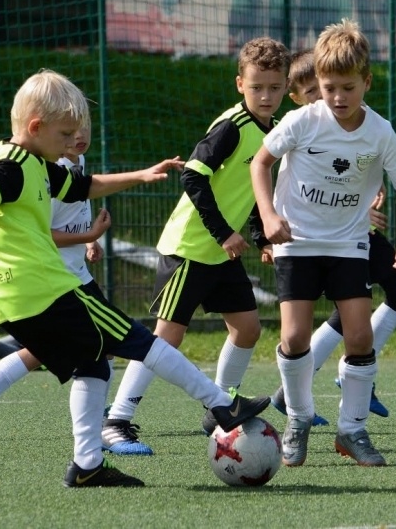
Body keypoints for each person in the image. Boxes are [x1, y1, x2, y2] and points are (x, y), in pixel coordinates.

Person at [0, 69, 269, 488]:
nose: (73, 142)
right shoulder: (12, 166)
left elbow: (84, 186)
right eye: (66, 133)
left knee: (93, 365)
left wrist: (141, 175)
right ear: (36, 127)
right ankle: (221, 405)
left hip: (15, 296)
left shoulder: (38, 162)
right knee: (140, 340)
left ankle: (87, 465)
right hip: (44, 289)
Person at [101, 37, 290, 455]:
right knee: (165, 337)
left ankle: (220, 408)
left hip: (221, 252)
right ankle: (117, 419)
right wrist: (225, 232)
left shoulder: (273, 130)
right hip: (190, 246)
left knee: (248, 328)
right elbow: (192, 176)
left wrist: (260, 236)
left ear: (285, 87)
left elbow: (254, 190)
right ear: (240, 84)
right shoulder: (231, 127)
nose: (265, 95)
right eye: (257, 86)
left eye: (274, 88)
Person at [250, 19, 396, 467]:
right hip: (297, 243)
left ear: (366, 81)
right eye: (328, 88)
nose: (338, 98)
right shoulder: (302, 121)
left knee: (361, 337)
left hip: (348, 243)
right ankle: (299, 419)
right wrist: (268, 216)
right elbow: (261, 163)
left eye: (348, 87)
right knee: (293, 335)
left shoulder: (380, 132)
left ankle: (352, 431)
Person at [0, 124, 119, 440]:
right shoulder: (48, 169)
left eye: (85, 127)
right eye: (70, 130)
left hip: (72, 270)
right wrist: (87, 236)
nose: (79, 135)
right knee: (110, 340)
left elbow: (74, 212)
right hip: (54, 276)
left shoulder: (76, 164)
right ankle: (103, 424)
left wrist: (88, 242)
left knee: (56, 349)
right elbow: (43, 231)